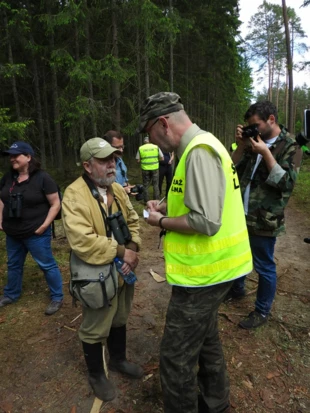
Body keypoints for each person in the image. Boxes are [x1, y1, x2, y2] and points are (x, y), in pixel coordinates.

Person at [137, 92, 252, 413]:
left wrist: (160, 220)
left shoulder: (198, 152)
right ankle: (217, 403)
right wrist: (164, 204)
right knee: (207, 340)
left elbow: (205, 220)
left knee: (175, 357)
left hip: (206, 273)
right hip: (216, 270)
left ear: (163, 123)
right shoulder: (202, 145)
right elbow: (199, 198)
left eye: (149, 132)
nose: (151, 140)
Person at [61, 138, 142, 402]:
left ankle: (118, 359)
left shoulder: (116, 189)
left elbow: (133, 220)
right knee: (95, 326)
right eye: (105, 160)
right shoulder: (74, 195)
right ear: (87, 165)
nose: (112, 164)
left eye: (114, 159)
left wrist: (132, 248)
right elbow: (82, 240)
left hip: (123, 269)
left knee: (120, 316)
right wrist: (121, 252)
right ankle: (97, 374)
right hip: (95, 273)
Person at [230, 100, 302, 329]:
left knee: (264, 265)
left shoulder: (293, 147)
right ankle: (237, 290)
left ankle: (261, 311)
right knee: (240, 255)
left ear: (271, 119)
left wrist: (265, 153)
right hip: (241, 213)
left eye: (256, 125)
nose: (253, 129)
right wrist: (242, 145)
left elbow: (286, 184)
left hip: (265, 217)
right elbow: (230, 170)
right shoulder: (252, 142)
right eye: (249, 126)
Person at [0, 141, 63, 315]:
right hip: (13, 232)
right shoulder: (8, 177)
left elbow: (55, 204)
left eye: (16, 155)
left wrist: (44, 226)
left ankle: (57, 297)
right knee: (13, 264)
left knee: (47, 265)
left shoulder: (43, 178)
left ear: (28, 157)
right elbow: (1, 198)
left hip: (36, 232)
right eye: (10, 156)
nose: (12, 159)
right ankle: (11, 294)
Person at [103, 130, 134, 194]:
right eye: (117, 147)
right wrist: (122, 190)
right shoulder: (101, 165)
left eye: (122, 146)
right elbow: (102, 190)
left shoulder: (119, 160)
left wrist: (128, 186)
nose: (121, 150)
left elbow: (123, 180)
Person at [135, 136, 164, 202]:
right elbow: (162, 158)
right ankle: (156, 200)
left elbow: (138, 160)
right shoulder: (156, 147)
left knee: (145, 185)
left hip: (145, 169)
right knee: (155, 185)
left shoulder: (141, 148)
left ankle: (146, 201)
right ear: (150, 140)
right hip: (155, 168)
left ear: (144, 141)